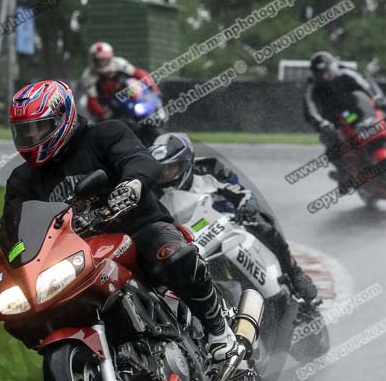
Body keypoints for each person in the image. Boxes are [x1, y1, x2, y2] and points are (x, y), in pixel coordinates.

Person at [0, 80, 239, 362]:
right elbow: (13, 225)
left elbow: (140, 160)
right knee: (19, 311)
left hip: (138, 228)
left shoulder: (105, 134)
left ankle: (218, 329)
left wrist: (132, 184)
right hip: (77, 252)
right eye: (24, 130)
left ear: (62, 117)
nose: (31, 136)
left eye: (39, 126)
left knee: (172, 256)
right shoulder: (22, 179)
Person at [148, 133, 318, 304]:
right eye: (163, 169)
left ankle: (294, 273)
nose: (167, 174)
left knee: (262, 224)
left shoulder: (210, 168)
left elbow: (242, 192)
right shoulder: (151, 188)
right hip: (190, 238)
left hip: (227, 220)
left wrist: (246, 207)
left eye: (173, 167)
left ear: (186, 163)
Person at [303, 51, 386, 185]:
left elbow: (367, 85)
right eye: (320, 74)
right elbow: (309, 108)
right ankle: (344, 174)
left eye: (326, 71)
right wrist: (322, 124)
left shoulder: (346, 73)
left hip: (356, 113)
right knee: (332, 142)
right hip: (333, 121)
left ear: (332, 67)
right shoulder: (312, 86)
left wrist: (378, 98)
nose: (324, 76)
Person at [81, 41, 159, 121]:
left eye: (105, 60)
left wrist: (152, 86)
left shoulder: (119, 63)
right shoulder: (88, 76)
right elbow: (92, 101)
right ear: (92, 60)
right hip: (107, 104)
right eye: (99, 61)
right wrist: (103, 113)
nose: (102, 64)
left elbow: (138, 73)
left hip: (126, 97)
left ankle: (155, 108)